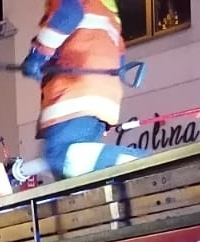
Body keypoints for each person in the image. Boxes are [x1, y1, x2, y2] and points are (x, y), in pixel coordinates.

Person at [20, 0, 149, 179]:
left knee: (59, 157)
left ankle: (139, 161)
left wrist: (38, 56)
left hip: (76, 91)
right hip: (97, 92)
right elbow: (118, 55)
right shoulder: (105, 8)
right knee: (73, 173)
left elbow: (69, 13)